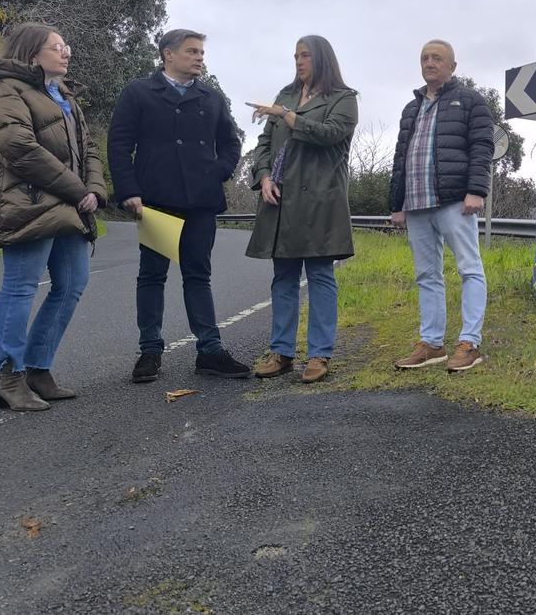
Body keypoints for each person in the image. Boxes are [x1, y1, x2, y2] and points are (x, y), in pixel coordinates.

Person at [107, 29, 249, 382]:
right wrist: (129, 189)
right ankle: (150, 352)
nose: (200, 57)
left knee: (198, 275)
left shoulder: (211, 97)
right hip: (156, 201)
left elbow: (231, 144)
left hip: (201, 202)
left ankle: (210, 351)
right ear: (168, 55)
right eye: (192, 52)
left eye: (201, 52)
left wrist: (216, 172)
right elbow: (119, 143)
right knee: (152, 276)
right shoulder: (139, 93)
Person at [0, 23, 106, 411]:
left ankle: (38, 369)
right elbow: (18, 147)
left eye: (66, 45)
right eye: (57, 47)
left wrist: (96, 190)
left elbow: (89, 149)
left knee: (72, 284)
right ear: (32, 53)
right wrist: (77, 189)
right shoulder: (2, 90)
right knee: (20, 287)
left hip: (70, 205)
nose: (66, 52)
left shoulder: (64, 95)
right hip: (28, 204)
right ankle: (9, 378)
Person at [245, 36, 358, 383]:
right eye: (295, 55)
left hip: (320, 201)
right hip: (281, 201)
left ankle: (320, 355)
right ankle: (281, 352)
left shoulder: (344, 99)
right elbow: (263, 144)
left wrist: (287, 115)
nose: (298, 61)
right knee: (284, 278)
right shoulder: (286, 93)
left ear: (322, 58)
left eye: (305, 55)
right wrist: (263, 177)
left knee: (321, 276)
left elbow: (329, 134)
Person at [389, 39, 494, 373]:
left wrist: (476, 190)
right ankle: (432, 344)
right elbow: (400, 158)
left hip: (454, 202)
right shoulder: (411, 107)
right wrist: (396, 203)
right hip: (417, 204)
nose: (429, 62)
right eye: (424, 58)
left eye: (437, 58)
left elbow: (482, 146)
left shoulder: (471, 102)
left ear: (452, 66)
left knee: (469, 268)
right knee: (426, 275)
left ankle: (469, 343)